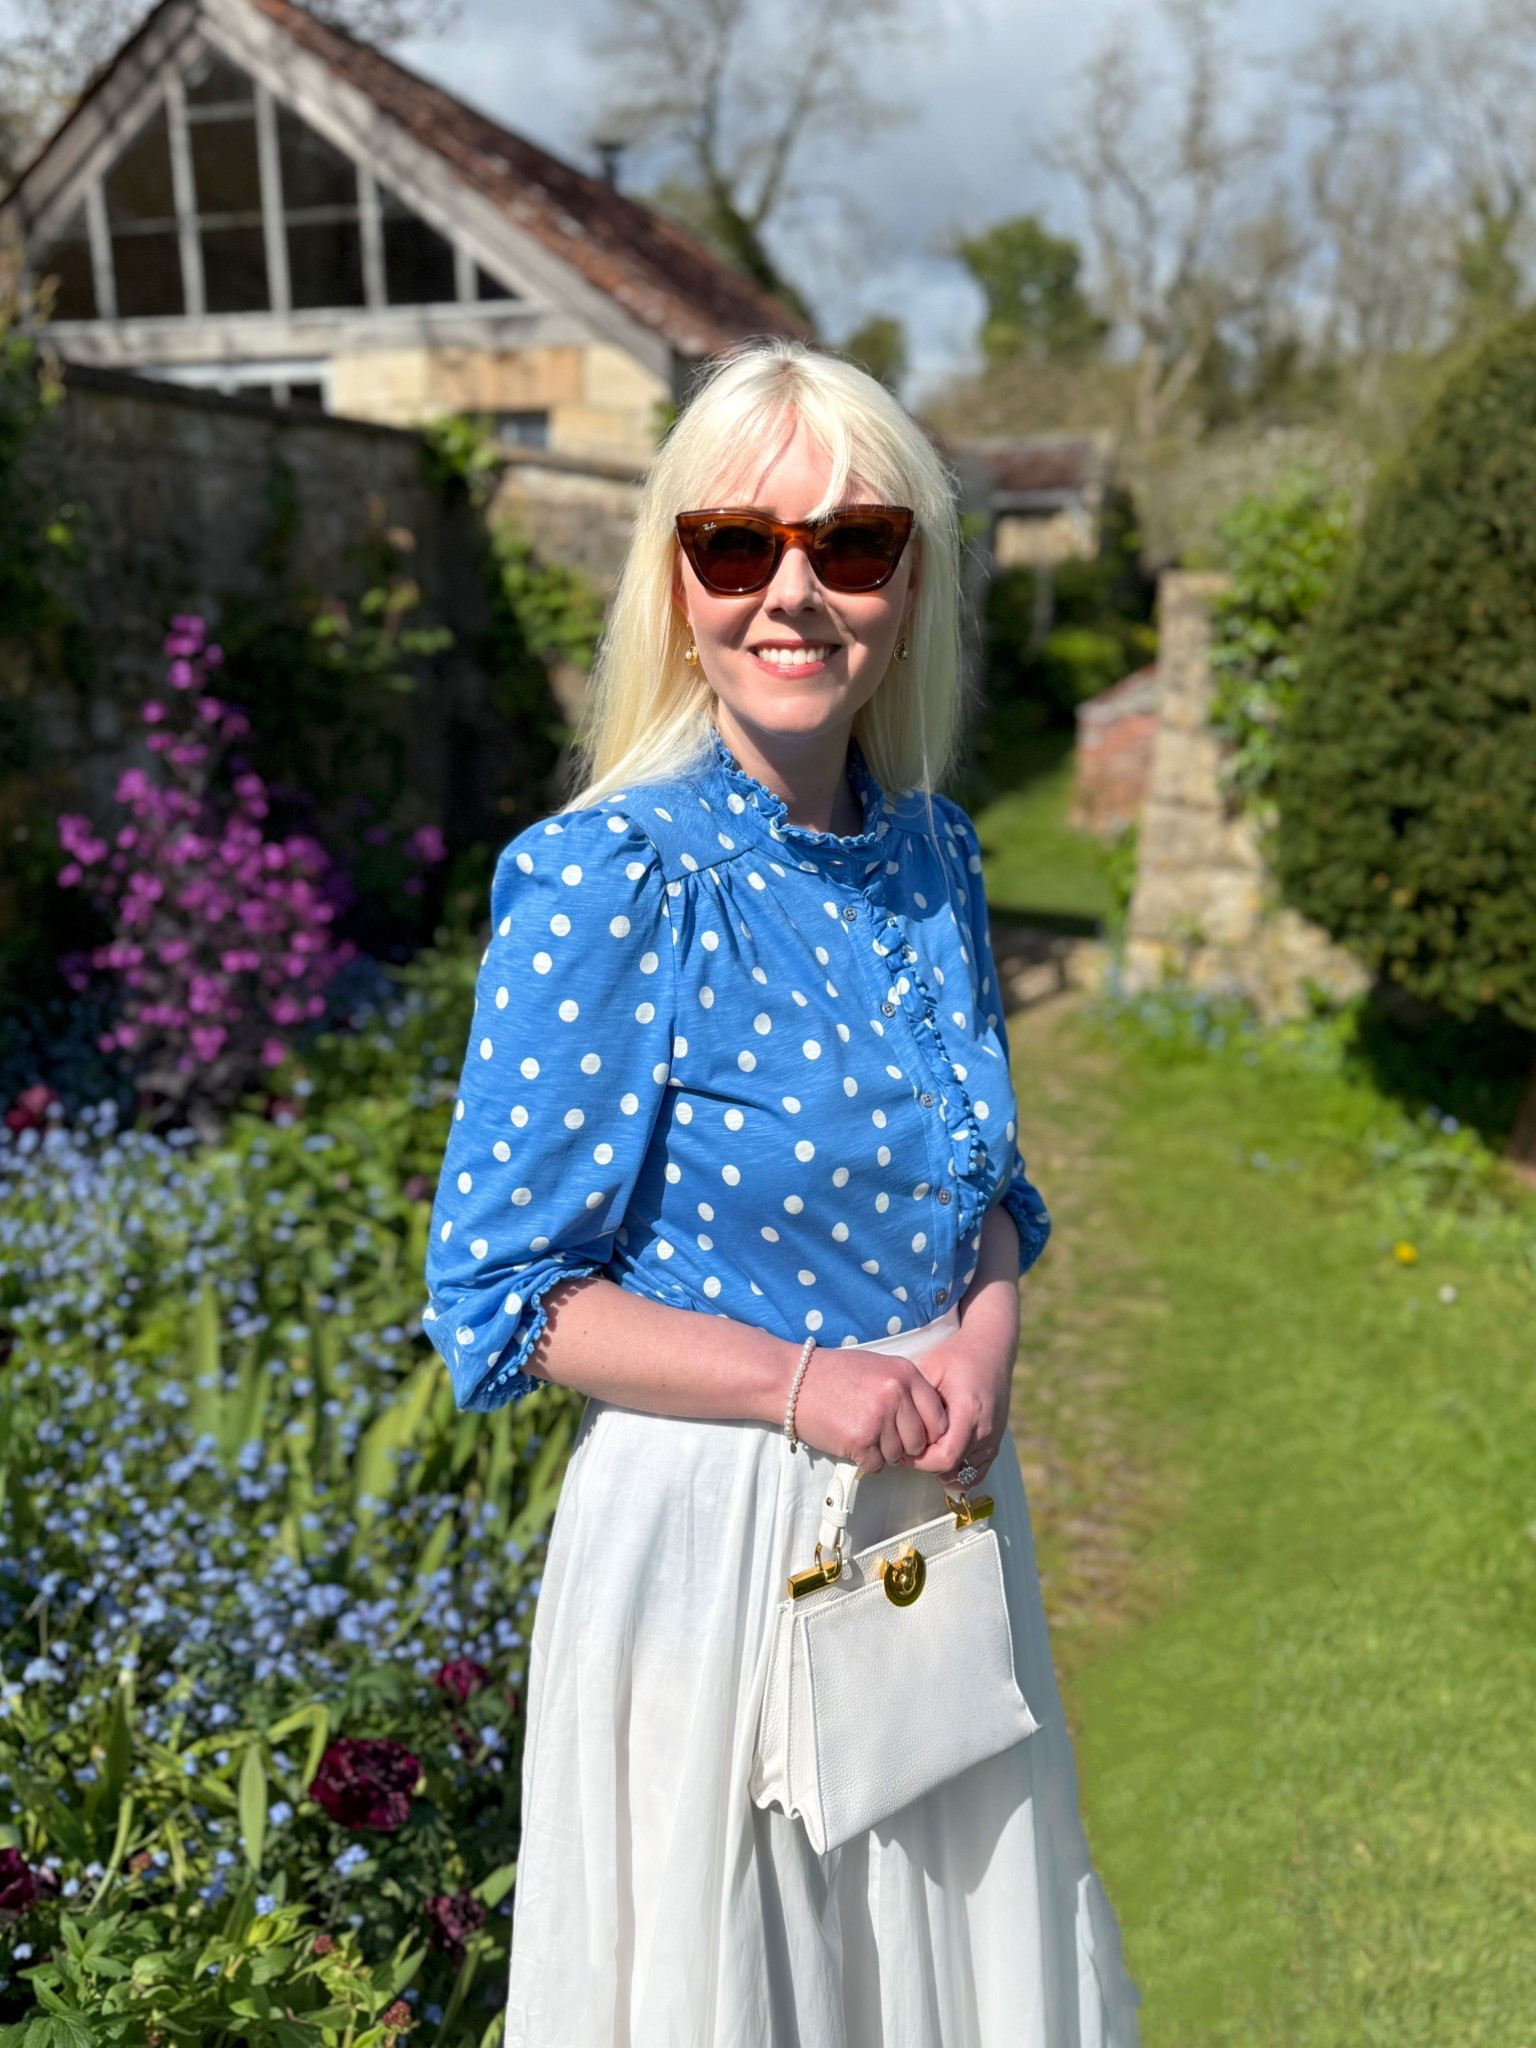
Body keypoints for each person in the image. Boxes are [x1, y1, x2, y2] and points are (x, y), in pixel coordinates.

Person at [422, 339, 1140, 2047]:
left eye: (855, 546)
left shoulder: (937, 857)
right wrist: (812, 1389)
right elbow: (509, 1300)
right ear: (677, 584)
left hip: (933, 1533)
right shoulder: (607, 881)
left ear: (910, 585)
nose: (794, 595)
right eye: (740, 547)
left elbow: (987, 1180)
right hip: (719, 1548)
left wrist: (987, 1332)